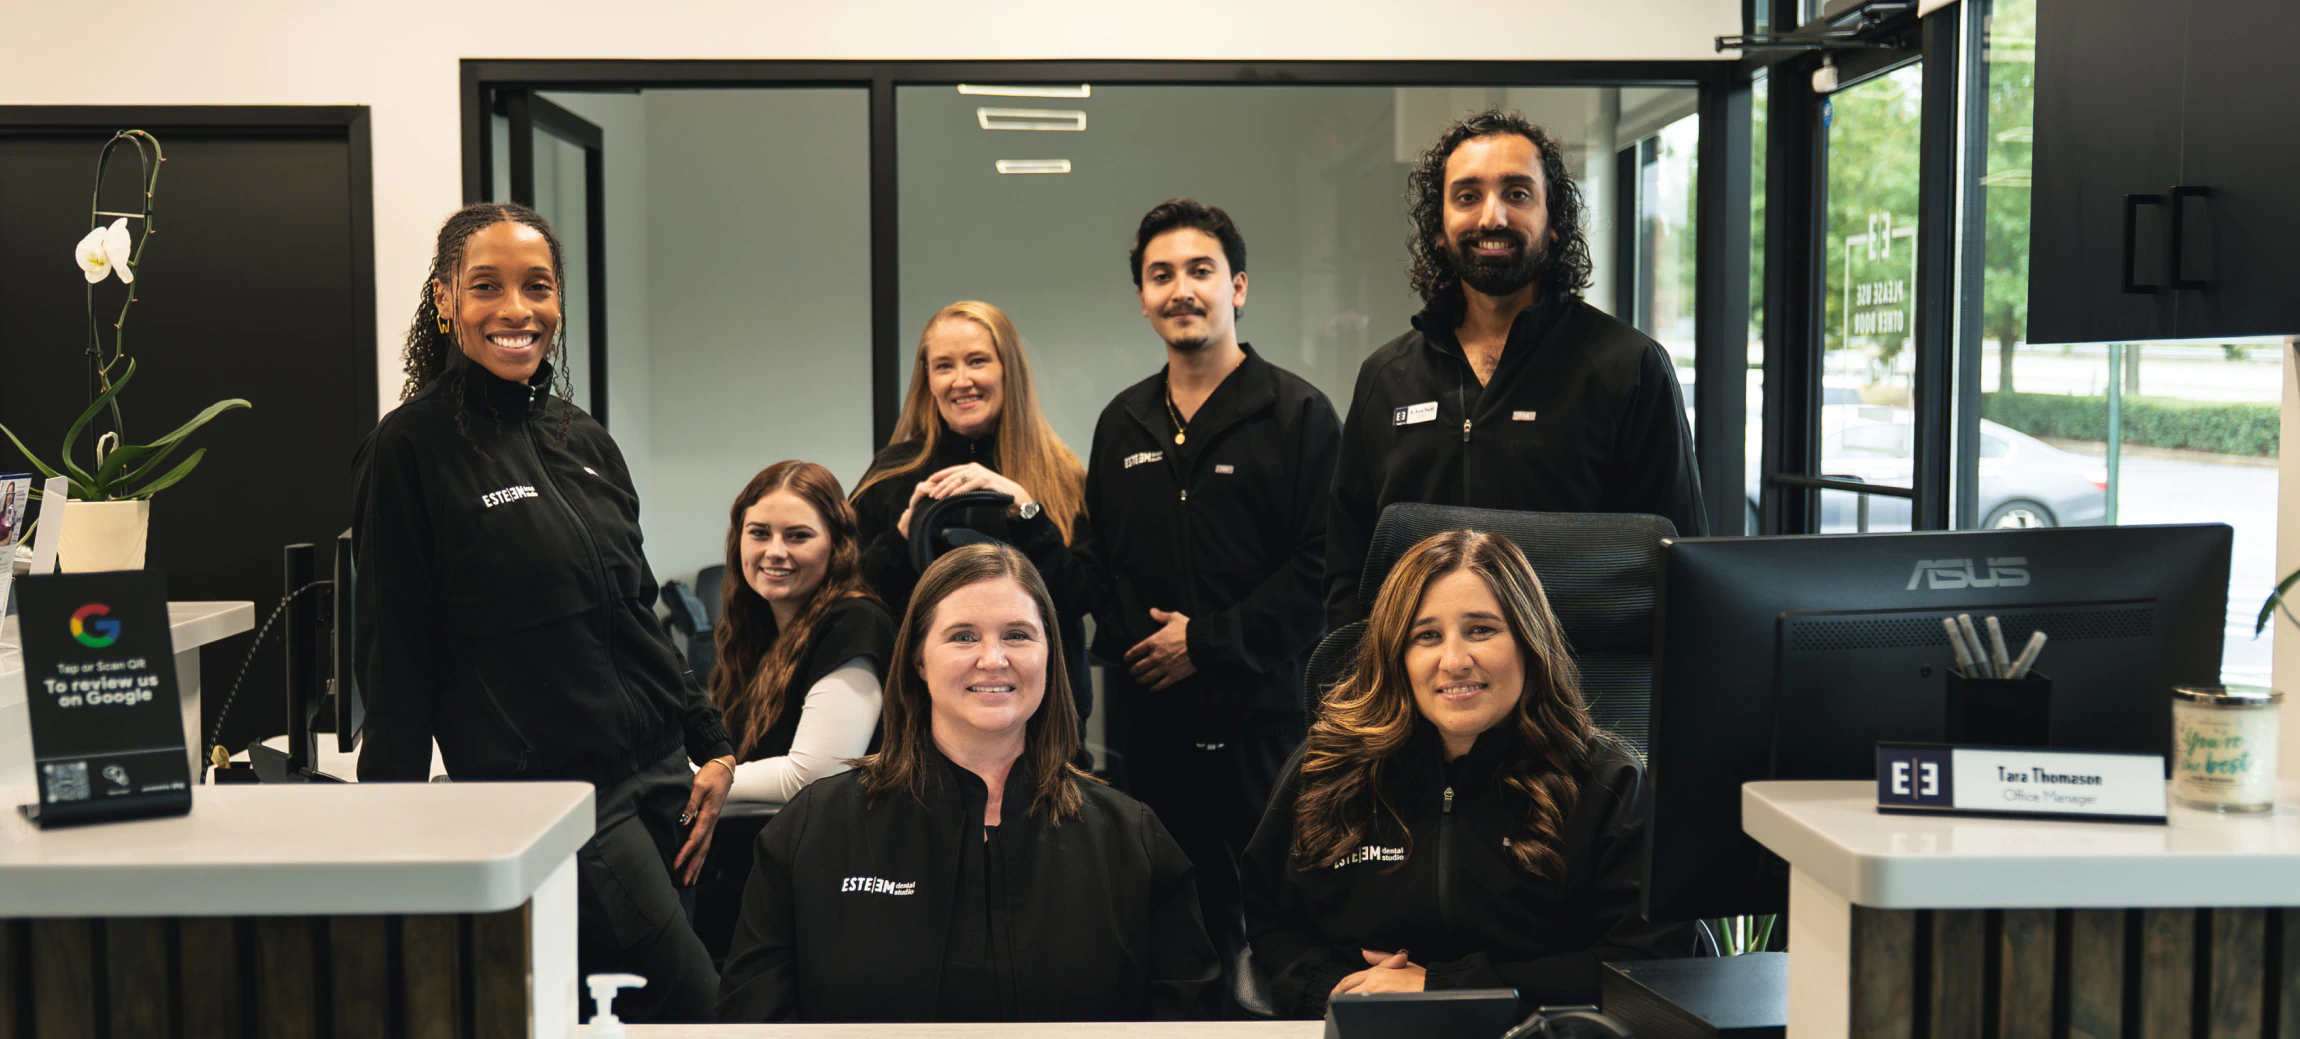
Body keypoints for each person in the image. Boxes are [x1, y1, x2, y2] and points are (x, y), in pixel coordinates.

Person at [353, 202, 733, 1022]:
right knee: (699, 1007)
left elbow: (638, 610)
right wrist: (386, 827)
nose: (516, 310)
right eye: (486, 285)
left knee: (626, 1017)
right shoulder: (410, 449)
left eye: (538, 287)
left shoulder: (583, 437)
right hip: (561, 800)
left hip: (667, 780)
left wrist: (714, 745)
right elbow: (397, 653)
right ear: (445, 299)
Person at [717, 543, 1221, 1023]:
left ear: (1050, 654)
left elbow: (1186, 1010)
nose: (993, 659)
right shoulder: (814, 828)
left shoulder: (1130, 838)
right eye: (962, 636)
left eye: (1018, 635)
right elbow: (753, 1011)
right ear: (918, 659)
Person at [1244, 529, 1691, 1019]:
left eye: (1481, 629)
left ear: (1528, 640)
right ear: (1397, 656)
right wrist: (1340, 992)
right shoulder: (1328, 766)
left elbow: (1645, 961)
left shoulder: (1607, 781)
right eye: (1427, 636)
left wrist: (1447, 990)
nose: (1455, 661)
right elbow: (1271, 920)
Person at [1078, 198, 1341, 992]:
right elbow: (1101, 559)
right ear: (1142, 297)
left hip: (1269, 728)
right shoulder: (1122, 422)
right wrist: (1142, 645)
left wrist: (1206, 642)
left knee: (1288, 928)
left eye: (1201, 271)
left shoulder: (1297, 414)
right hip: (1149, 732)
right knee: (1172, 936)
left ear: (1239, 287)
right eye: (1161, 275)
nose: (1180, 289)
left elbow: (1323, 565)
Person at [1324, 110, 1706, 628]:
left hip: (1578, 692)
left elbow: (1674, 562)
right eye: (1467, 196)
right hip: (1416, 690)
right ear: (1438, 228)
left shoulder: (1628, 368)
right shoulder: (1385, 376)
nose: (1492, 217)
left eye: (1518, 194)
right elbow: (1350, 568)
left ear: (1554, 225)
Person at [850, 302, 1093, 727]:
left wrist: (1026, 512)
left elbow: (1080, 597)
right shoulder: (890, 473)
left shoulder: (1061, 474)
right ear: (927, 378)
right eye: (944, 366)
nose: (961, 381)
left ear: (1008, 369)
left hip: (1044, 726)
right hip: (919, 724)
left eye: (977, 361)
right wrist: (901, 536)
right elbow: (852, 603)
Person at [692, 460, 896, 957]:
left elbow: (812, 775)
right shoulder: (755, 631)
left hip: (825, 890)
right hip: (763, 874)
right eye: (758, 533)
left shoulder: (854, 621)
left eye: (798, 536)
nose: (774, 552)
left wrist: (693, 780)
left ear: (837, 545)